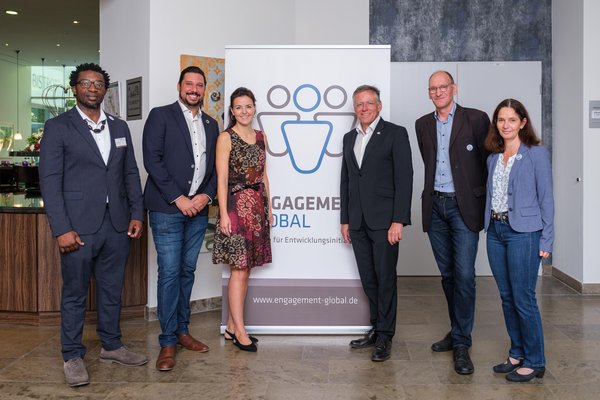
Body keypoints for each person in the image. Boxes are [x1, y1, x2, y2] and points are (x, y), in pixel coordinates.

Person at [39, 63, 148, 387]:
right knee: (75, 293)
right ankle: (72, 355)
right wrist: (61, 228)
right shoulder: (58, 127)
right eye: (85, 83)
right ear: (75, 88)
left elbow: (130, 173)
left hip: (116, 225)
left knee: (112, 289)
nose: (92, 88)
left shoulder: (119, 127)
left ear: (105, 90)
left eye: (98, 83)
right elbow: (50, 180)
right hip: (78, 226)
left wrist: (136, 214)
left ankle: (112, 345)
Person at [143, 66, 218, 371]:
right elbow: (152, 159)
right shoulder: (160, 115)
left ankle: (183, 331)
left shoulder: (212, 124)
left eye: (199, 85)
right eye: (189, 83)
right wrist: (180, 198)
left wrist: (205, 197)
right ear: (179, 86)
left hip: (198, 212)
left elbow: (216, 169)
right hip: (167, 209)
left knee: (187, 271)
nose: (194, 89)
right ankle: (167, 342)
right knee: (170, 273)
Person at [415, 70, 490, 375]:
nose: (438, 91)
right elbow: (428, 161)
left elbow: (488, 160)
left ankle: (462, 342)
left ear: (454, 88)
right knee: (447, 275)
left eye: (443, 86)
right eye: (432, 88)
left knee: (464, 275)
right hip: (435, 206)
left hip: (463, 207)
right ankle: (457, 330)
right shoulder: (422, 124)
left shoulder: (476, 118)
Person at [340, 85, 413, 362]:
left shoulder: (395, 133)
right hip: (357, 221)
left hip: (385, 222)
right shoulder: (349, 138)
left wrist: (399, 220)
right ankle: (375, 328)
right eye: (359, 104)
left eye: (369, 103)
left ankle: (385, 336)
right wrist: (345, 220)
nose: (364, 108)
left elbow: (404, 179)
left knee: (385, 280)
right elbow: (346, 179)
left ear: (379, 106)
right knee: (369, 279)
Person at [484, 99, 553, 382]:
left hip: (524, 233)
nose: (506, 125)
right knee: (506, 296)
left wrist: (547, 240)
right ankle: (517, 352)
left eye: (512, 119)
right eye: (501, 120)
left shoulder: (536, 154)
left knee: (524, 298)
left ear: (523, 122)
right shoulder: (492, 157)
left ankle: (535, 361)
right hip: (496, 231)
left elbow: (546, 199)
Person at [212, 87, 272, 352]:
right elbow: (222, 179)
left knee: (245, 270)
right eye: (238, 107)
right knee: (239, 269)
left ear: (254, 108)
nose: (244, 111)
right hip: (236, 208)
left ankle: (231, 326)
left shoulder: (261, 136)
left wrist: (269, 205)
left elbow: (263, 174)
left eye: (248, 106)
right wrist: (223, 214)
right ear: (232, 111)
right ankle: (240, 331)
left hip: (257, 209)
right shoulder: (226, 137)